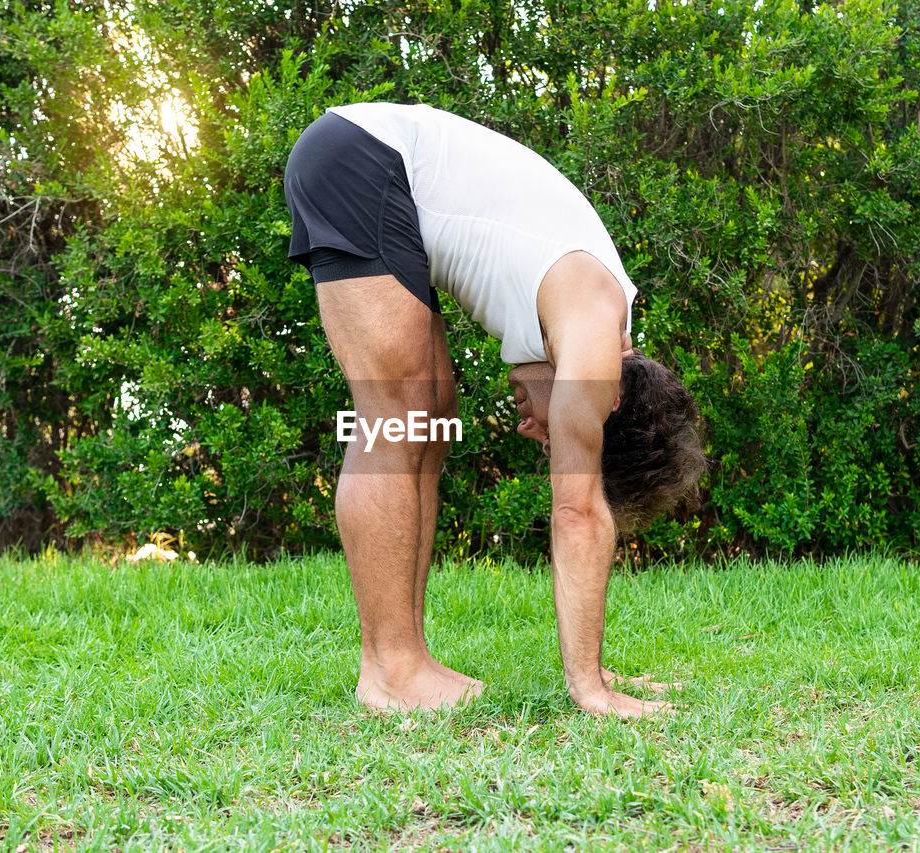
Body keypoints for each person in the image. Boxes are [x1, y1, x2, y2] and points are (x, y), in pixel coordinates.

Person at [284, 102, 704, 717]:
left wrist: (594, 663)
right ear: (606, 401)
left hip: (374, 168)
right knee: (395, 414)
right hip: (366, 160)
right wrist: (591, 688)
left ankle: (408, 660)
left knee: (429, 414)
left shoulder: (592, 317)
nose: (529, 427)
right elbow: (579, 512)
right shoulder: (592, 337)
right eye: (549, 433)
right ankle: (391, 672)